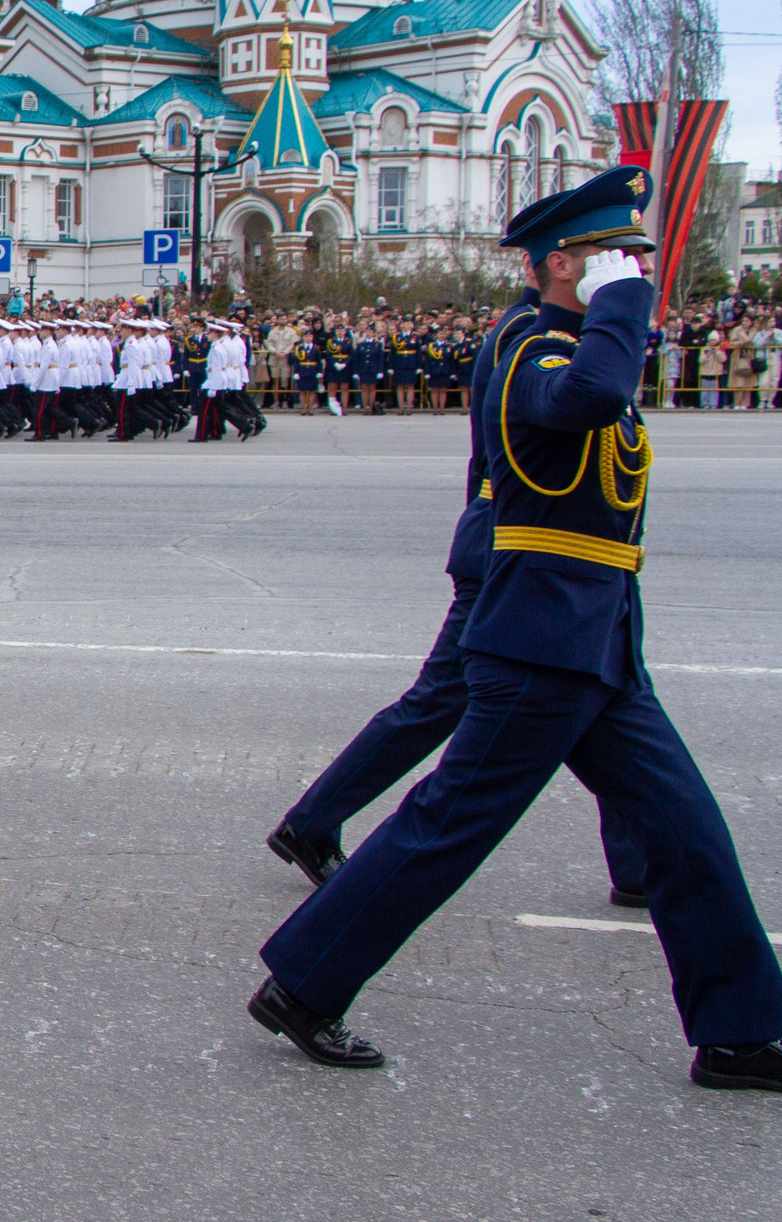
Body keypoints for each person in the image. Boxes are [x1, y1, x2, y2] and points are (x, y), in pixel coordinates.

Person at [252, 169, 782, 1091]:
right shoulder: (529, 344)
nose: (638, 277)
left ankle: (740, 1031)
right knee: (448, 826)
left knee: (689, 836)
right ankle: (303, 983)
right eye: (621, 262)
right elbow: (582, 402)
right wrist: (616, 306)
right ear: (563, 263)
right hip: (539, 640)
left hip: (598, 640)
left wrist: (611, 305)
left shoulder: (577, 340)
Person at [266, 282, 650, 908]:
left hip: (543, 553)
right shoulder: (532, 334)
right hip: (516, 551)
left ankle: (641, 863)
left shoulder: (535, 329)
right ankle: (311, 824)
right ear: (560, 261)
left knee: (607, 701)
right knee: (444, 700)